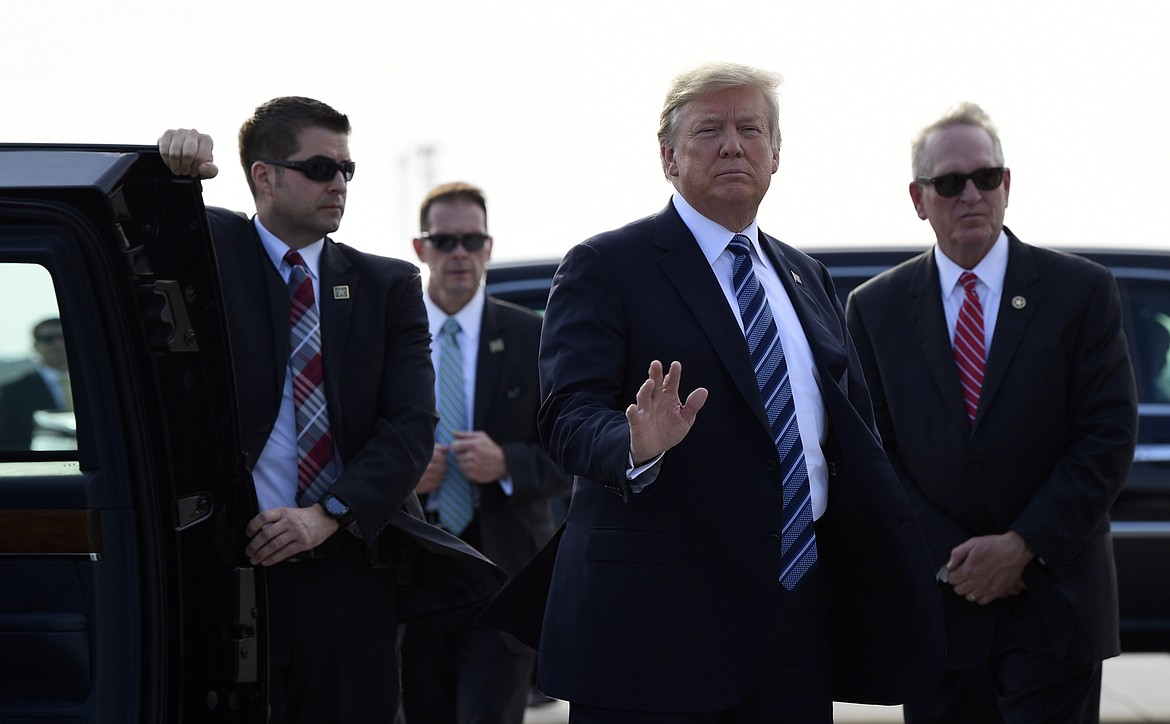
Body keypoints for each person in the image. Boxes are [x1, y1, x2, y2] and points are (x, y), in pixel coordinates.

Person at [485, 62, 945, 721]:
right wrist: (634, 443)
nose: (733, 144)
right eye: (710, 129)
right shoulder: (606, 266)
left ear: (776, 154)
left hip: (796, 618)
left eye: (751, 128)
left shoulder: (804, 274)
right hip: (657, 628)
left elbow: (843, 433)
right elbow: (565, 414)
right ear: (669, 156)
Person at [158, 98, 502, 724]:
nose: (338, 184)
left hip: (350, 567)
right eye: (320, 168)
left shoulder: (387, 285)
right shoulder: (208, 254)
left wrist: (328, 515)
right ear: (264, 176)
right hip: (232, 566)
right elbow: (142, 233)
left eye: (347, 169)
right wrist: (172, 165)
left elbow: (410, 427)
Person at [845, 103, 1138, 723]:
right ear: (919, 198)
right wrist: (961, 559)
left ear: (1008, 185)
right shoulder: (875, 309)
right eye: (950, 182)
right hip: (940, 608)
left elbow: (1106, 438)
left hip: (1055, 605)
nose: (971, 194)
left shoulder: (1081, 292)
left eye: (986, 177)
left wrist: (1022, 546)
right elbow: (874, 455)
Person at [399, 182, 569, 724]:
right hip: (411, 573)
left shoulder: (530, 336)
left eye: (471, 239)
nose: (459, 254)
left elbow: (571, 452)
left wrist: (508, 465)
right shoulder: (389, 333)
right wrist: (403, 478)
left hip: (502, 574)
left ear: (488, 247)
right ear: (420, 248)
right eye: (444, 241)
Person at [0, 317, 72, 450]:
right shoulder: (14, 392)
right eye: (48, 339)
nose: (58, 344)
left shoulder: (102, 385)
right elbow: (5, 440)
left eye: (63, 336)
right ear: (36, 346)